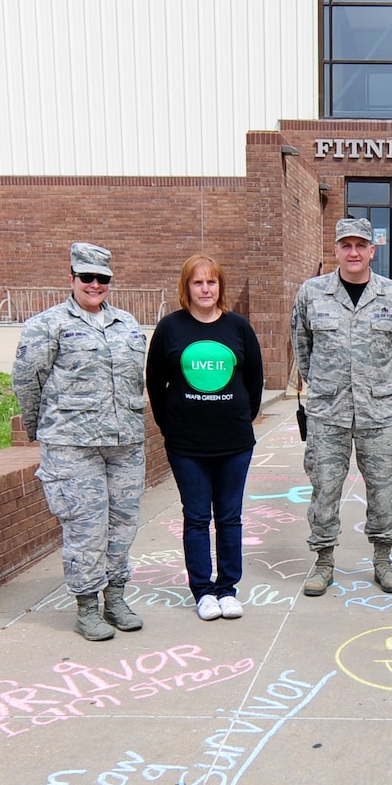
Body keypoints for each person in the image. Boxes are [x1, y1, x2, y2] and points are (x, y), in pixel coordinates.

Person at [12, 242, 150, 641]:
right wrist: (41, 428)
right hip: (72, 446)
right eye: (86, 277)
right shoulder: (46, 325)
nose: (94, 284)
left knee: (122, 524)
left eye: (102, 278)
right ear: (71, 277)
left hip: (124, 443)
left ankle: (116, 597)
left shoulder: (127, 323)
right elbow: (27, 381)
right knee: (85, 528)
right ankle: (87, 605)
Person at [288, 216, 392, 598]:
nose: (353, 252)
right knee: (324, 489)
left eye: (361, 245)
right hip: (328, 413)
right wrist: (329, 386)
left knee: (382, 490)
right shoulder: (312, 293)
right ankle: (324, 562)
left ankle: (383, 561)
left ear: (372, 250)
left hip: (379, 413)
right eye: (346, 245)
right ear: (336, 250)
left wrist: (372, 382)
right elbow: (302, 349)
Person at [147, 254, 265, 621]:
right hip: (187, 445)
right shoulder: (170, 328)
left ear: (220, 287)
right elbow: (154, 383)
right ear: (186, 288)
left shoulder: (238, 328)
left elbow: (255, 381)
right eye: (198, 282)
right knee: (196, 517)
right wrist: (171, 427)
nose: (205, 289)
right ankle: (203, 591)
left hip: (233, 443)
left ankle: (227, 589)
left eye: (211, 282)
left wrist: (241, 417)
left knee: (230, 517)